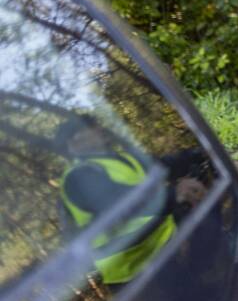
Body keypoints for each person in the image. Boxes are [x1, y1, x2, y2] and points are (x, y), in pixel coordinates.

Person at [57, 115, 206, 285]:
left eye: (96, 125)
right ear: (74, 143)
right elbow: (119, 203)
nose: (99, 129)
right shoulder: (77, 177)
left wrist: (194, 155)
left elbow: (161, 166)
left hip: (160, 244)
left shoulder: (122, 157)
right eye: (90, 128)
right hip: (133, 271)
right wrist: (174, 193)